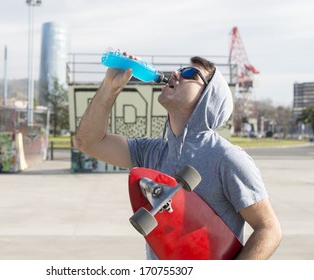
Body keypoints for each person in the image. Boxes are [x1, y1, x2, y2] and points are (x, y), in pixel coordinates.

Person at [74, 51, 282, 260]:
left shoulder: (227, 158)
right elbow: (89, 142)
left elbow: (269, 230)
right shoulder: (151, 152)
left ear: (209, 98)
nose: (175, 73)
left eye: (190, 73)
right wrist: (110, 87)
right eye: (179, 70)